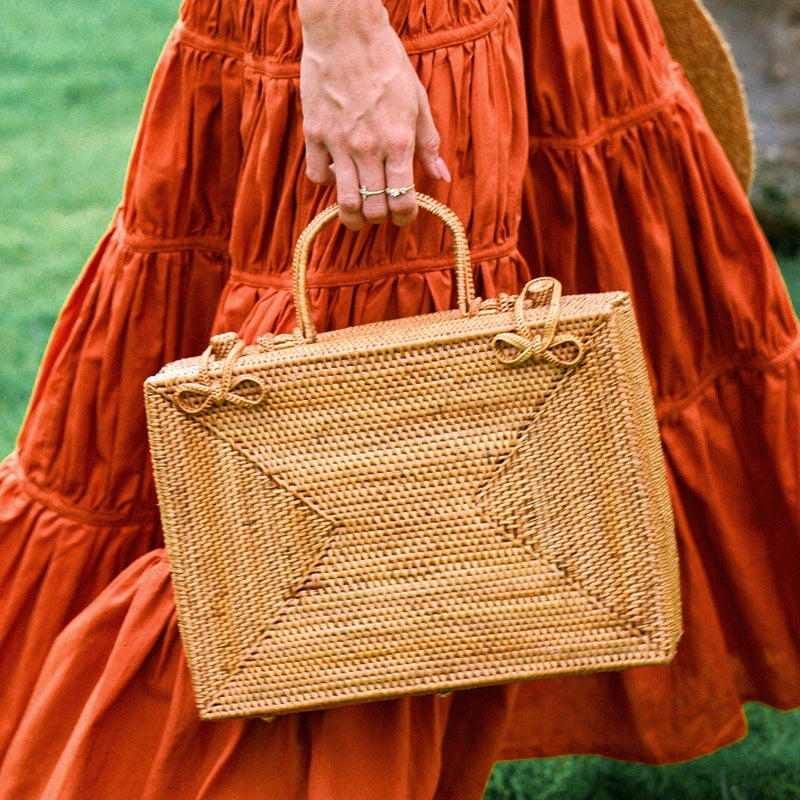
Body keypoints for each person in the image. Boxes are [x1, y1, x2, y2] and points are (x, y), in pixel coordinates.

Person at [0, 0, 798, 797]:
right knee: (350, 509)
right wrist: (346, 38)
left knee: (402, 461)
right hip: (398, 25)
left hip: (532, 25)